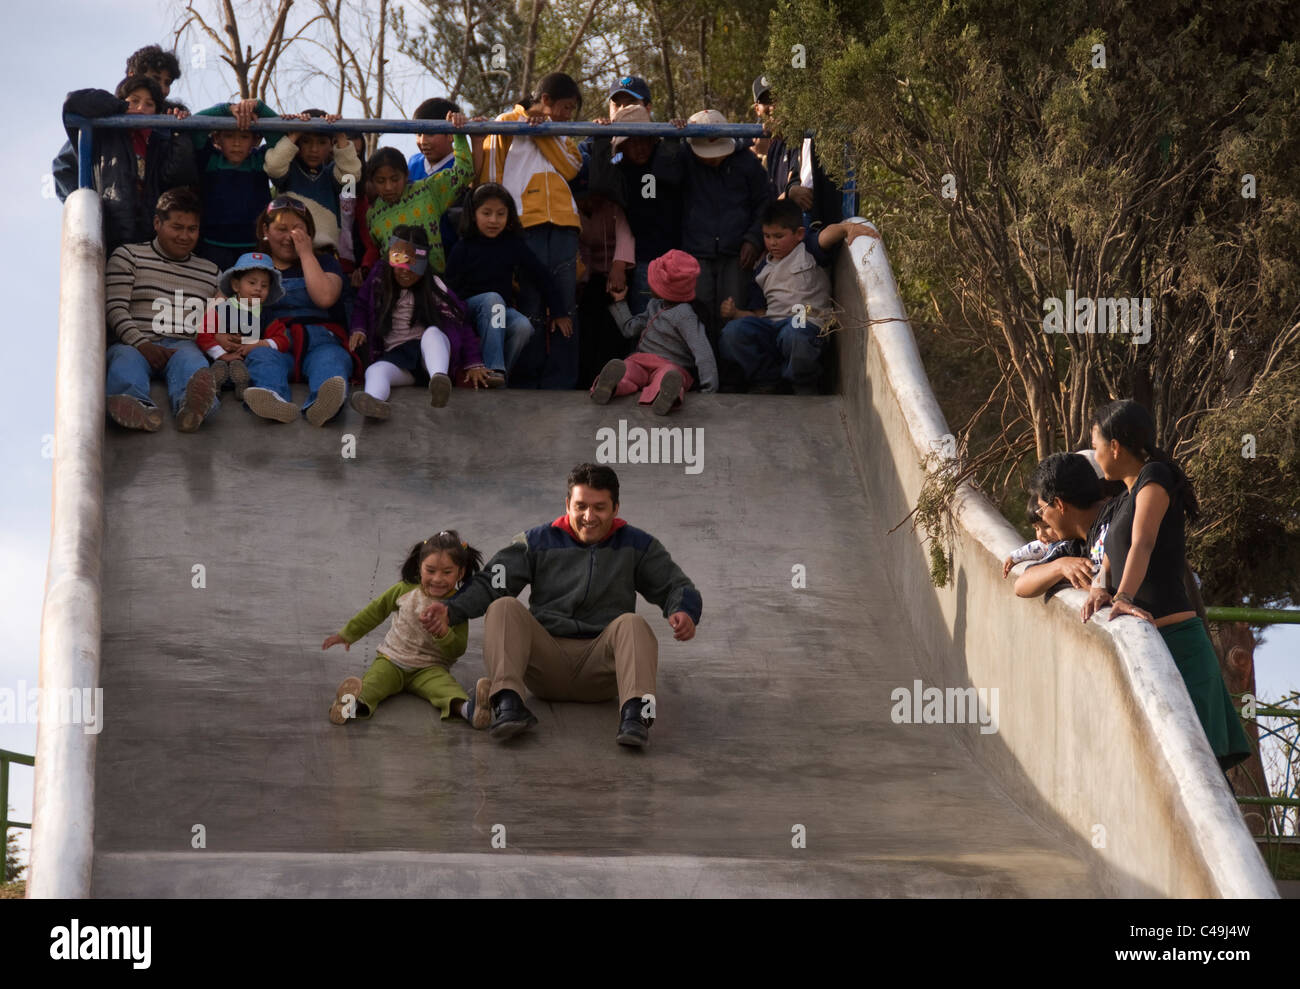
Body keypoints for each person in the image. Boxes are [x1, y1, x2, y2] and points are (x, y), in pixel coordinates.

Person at [418, 464, 702, 748]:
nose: (589, 517)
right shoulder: (536, 542)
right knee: (503, 606)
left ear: (616, 508)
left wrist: (683, 610)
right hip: (545, 667)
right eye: (581, 506)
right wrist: (451, 609)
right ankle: (507, 705)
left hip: (601, 672)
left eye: (599, 507)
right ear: (568, 504)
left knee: (633, 623)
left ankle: (636, 717)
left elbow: (677, 585)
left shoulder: (637, 545)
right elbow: (492, 580)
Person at [1080, 400, 1251, 770]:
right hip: (1149, 647)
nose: (1094, 454)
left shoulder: (1154, 477)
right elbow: (1111, 557)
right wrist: (1099, 587)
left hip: (1181, 647)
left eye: (1095, 445)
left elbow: (1143, 542)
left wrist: (1123, 597)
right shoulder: (1123, 500)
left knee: (1200, 772)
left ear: (1115, 446)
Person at [478, 73, 584, 389]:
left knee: (565, 305)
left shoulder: (562, 133)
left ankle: (562, 381)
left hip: (565, 224)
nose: (568, 116)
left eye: (572, 110)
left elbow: (571, 168)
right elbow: (492, 176)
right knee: (531, 301)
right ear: (546, 99)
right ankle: (527, 379)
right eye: (565, 107)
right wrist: (526, 122)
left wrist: (542, 131)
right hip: (526, 224)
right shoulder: (506, 122)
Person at [323, 531, 491, 728]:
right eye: (430, 570)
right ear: (420, 567)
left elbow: (458, 649)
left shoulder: (458, 605)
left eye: (447, 572)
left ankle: (471, 711)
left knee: (447, 690)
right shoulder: (404, 590)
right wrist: (347, 634)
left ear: (460, 573)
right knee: (372, 685)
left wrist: (443, 634)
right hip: (391, 660)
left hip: (430, 668)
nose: (437, 579)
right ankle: (347, 707)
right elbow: (376, 611)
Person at [718, 200, 876, 393]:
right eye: (767, 236)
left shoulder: (807, 249)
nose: (772, 242)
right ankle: (766, 380)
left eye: (779, 236)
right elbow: (760, 316)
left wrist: (846, 228)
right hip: (773, 325)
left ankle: (802, 383)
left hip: (805, 319)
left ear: (798, 234)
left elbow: (826, 236)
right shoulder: (762, 269)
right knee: (732, 333)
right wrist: (736, 313)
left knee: (795, 330)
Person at [104, 188, 220, 433]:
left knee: (192, 361)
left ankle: (193, 408)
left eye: (192, 229)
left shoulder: (211, 272)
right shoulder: (129, 256)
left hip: (182, 344)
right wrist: (142, 344)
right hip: (134, 342)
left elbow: (219, 319)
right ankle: (134, 406)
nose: (185, 236)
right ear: (157, 223)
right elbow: (115, 308)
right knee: (125, 361)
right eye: (177, 227)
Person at [239, 197, 360, 425]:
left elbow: (325, 297)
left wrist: (306, 254)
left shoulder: (325, 262)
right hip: (274, 341)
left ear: (310, 232)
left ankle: (324, 402)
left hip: (322, 339)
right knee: (261, 358)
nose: (289, 237)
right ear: (265, 230)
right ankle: (272, 398)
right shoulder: (254, 266)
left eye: (297, 229)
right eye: (281, 229)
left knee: (333, 360)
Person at [349, 227, 490, 419]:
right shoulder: (378, 280)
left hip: (428, 356)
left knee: (432, 333)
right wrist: (359, 329)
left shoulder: (434, 286)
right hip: (399, 358)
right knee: (376, 370)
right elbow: (361, 306)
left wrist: (474, 362)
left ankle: (439, 381)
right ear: (390, 259)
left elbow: (461, 323)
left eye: (413, 264)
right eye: (399, 263)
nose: (405, 272)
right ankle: (374, 402)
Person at [674, 109, 770, 363]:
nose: (712, 160)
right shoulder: (683, 157)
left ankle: (732, 379)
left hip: (737, 252)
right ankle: (700, 373)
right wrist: (673, 137)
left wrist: (753, 238)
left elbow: (764, 202)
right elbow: (660, 178)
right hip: (696, 251)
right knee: (698, 314)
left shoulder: (746, 162)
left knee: (732, 312)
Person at [60, 75, 198, 253]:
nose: (141, 108)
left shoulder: (159, 140)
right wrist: (122, 108)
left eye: (149, 104)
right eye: (134, 101)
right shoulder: (106, 134)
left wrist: (180, 131)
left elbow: (178, 174)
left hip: (149, 234)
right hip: (109, 229)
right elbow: (73, 103)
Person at [445, 183, 566, 383]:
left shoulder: (512, 243)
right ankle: (494, 369)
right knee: (494, 300)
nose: (494, 220)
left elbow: (540, 273)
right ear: (474, 214)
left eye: (501, 214)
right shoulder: (463, 247)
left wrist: (559, 310)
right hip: (469, 310)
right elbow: (450, 290)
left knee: (523, 326)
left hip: (499, 312)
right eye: (487, 213)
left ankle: (496, 378)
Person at [53, 45, 189, 202]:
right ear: (132, 76)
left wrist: (180, 129)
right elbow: (63, 168)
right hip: (111, 215)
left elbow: (178, 176)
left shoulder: (169, 122)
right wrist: (86, 208)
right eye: (156, 78)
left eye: (168, 83)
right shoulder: (107, 121)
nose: (163, 89)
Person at [587, 104, 687, 315]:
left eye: (644, 139)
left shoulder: (664, 158)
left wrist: (672, 136)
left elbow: (671, 173)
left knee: (679, 317)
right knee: (646, 319)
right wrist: (603, 138)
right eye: (632, 141)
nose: (639, 147)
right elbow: (600, 181)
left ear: (653, 140)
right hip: (644, 258)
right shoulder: (620, 167)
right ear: (622, 146)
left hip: (677, 256)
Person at [592, 249, 717, 415]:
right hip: (641, 360)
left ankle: (664, 396)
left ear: (666, 289)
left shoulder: (685, 315)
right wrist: (620, 301)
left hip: (671, 364)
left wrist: (709, 390)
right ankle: (611, 386)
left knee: (668, 376)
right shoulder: (654, 305)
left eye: (653, 281)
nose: (649, 284)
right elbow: (630, 329)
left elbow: (703, 351)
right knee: (627, 368)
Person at [365, 110, 473, 275]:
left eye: (395, 179)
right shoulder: (372, 215)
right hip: (395, 291)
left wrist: (458, 133)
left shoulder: (427, 191)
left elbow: (464, 172)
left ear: (406, 175)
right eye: (381, 181)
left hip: (433, 285)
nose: (388, 187)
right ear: (372, 182)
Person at [189, 97, 284, 269]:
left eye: (244, 136)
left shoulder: (259, 161)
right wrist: (227, 109)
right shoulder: (210, 160)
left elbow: (280, 137)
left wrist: (258, 106)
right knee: (214, 294)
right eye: (229, 135)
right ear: (217, 138)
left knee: (252, 295)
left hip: (253, 246)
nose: (237, 143)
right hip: (212, 244)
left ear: (255, 140)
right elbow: (195, 126)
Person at [751, 74, 846, 227]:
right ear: (757, 109)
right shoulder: (773, 147)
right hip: (782, 229)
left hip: (810, 228)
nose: (774, 107)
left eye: (778, 99)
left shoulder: (806, 135)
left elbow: (803, 193)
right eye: (767, 101)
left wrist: (789, 194)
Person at [265, 109, 362, 252]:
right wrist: (295, 132)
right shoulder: (289, 170)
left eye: (322, 142)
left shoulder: (331, 174)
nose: (314, 149)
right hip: (290, 250)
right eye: (306, 141)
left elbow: (351, 175)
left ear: (331, 145)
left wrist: (340, 135)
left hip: (325, 253)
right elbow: (274, 167)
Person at [198, 252, 292, 400]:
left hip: (248, 362)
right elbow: (203, 334)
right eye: (252, 283)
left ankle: (243, 383)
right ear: (236, 285)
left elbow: (283, 341)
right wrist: (222, 355)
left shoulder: (266, 315)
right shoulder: (221, 309)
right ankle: (215, 382)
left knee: (258, 366)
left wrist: (259, 344)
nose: (258, 289)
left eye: (264, 285)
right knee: (214, 367)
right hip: (220, 358)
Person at [1002, 502, 1069, 578]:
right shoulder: (1049, 543)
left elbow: (1045, 565)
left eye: (1047, 527)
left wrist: (1031, 571)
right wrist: (1014, 557)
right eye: (1036, 528)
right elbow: (1035, 547)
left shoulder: (1065, 547)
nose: (1041, 534)